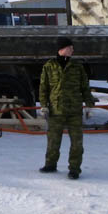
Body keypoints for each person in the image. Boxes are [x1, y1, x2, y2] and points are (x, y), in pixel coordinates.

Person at [39, 37, 96, 179]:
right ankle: (50, 164)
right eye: (70, 47)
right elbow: (43, 88)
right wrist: (44, 106)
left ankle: (74, 169)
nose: (73, 50)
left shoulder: (77, 66)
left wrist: (89, 106)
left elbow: (85, 87)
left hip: (74, 110)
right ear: (62, 49)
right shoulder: (49, 66)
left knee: (77, 143)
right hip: (55, 110)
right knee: (53, 141)